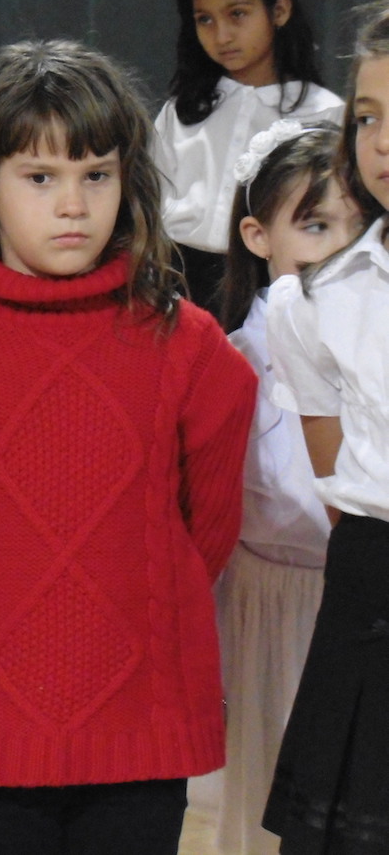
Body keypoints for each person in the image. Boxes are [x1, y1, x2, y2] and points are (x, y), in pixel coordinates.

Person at [0, 39, 257, 855]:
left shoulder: (192, 350)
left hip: (141, 729)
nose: (72, 203)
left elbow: (206, 532)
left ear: (127, 182)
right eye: (40, 177)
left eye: (96, 175)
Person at [213, 120, 369, 855]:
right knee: (273, 802)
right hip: (268, 608)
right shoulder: (230, 365)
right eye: (314, 225)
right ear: (258, 235)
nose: (340, 248)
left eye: (358, 225)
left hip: (362, 596)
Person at [262, 0, 389, 855]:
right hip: (371, 585)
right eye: (367, 117)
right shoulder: (316, 298)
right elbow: (334, 474)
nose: (380, 142)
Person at [154, 0, 343, 311]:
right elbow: (149, 200)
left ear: (279, 11)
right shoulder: (183, 110)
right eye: (205, 19)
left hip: (273, 284)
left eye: (237, 14)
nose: (221, 35)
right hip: (176, 283)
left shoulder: (325, 114)